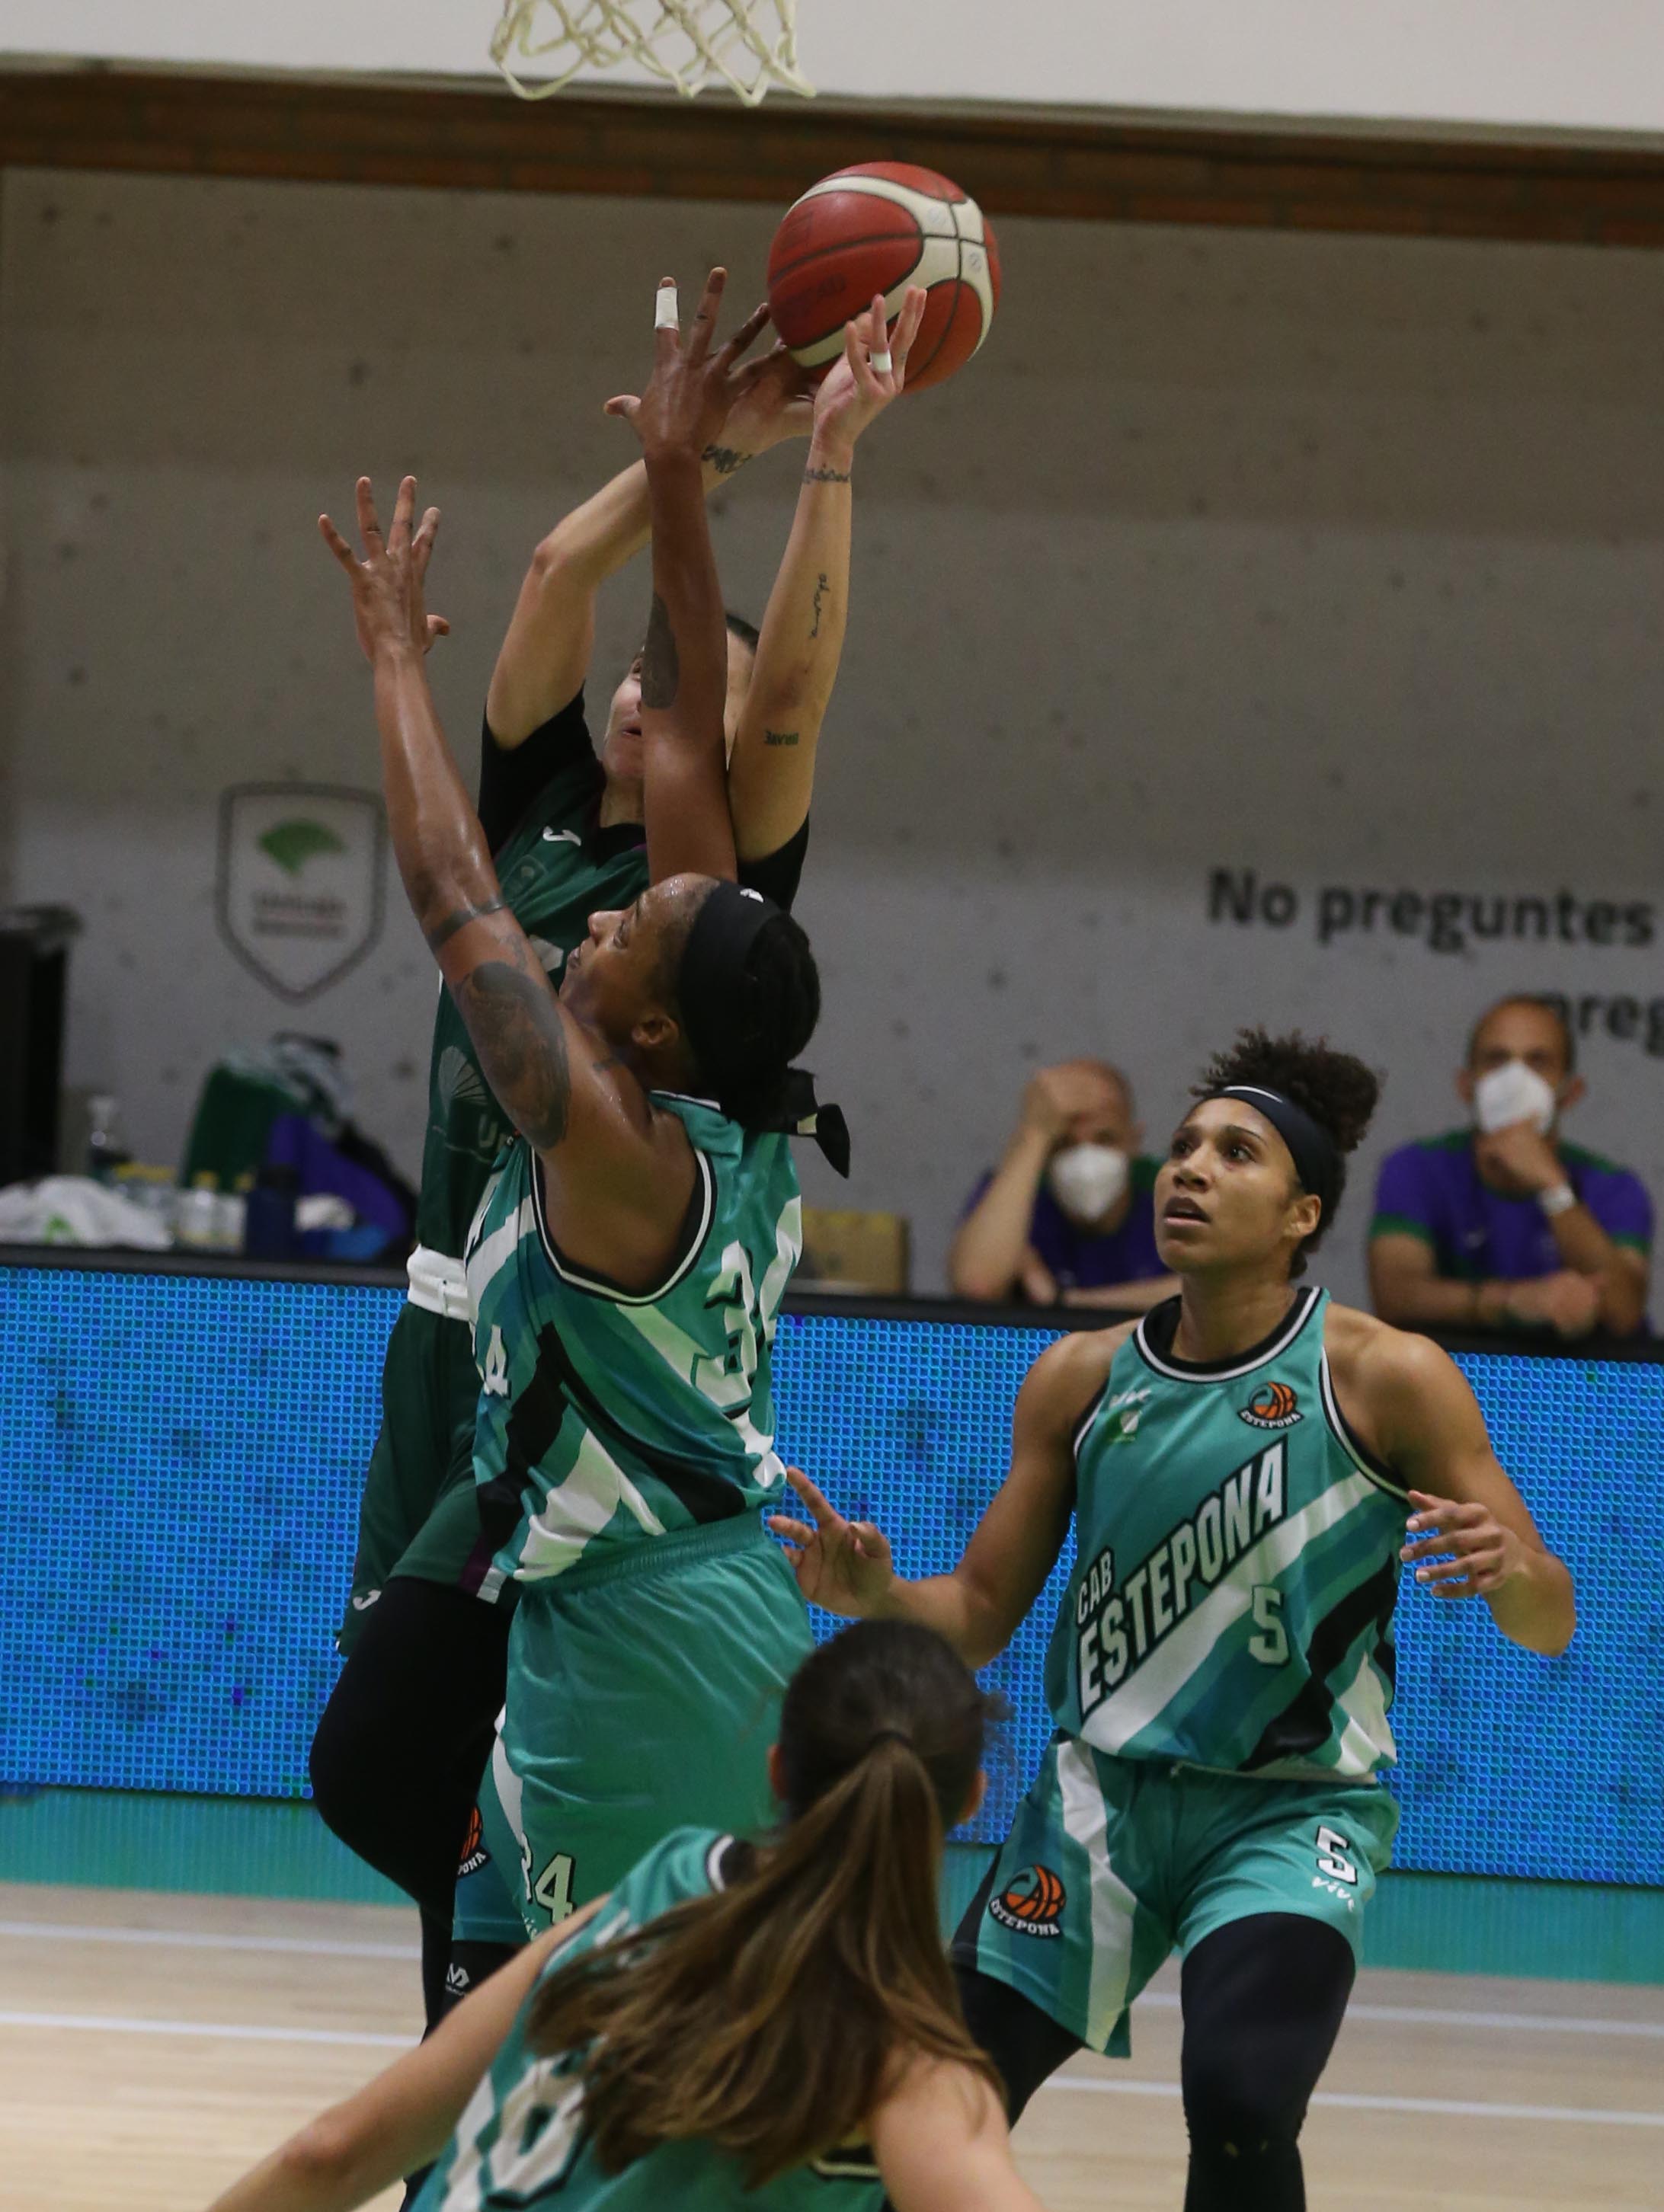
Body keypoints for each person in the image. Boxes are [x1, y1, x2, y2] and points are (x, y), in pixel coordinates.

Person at [308, 277, 927, 2032]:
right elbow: (671, 761)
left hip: (652, 1591)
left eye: (629, 935)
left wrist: (381, 668)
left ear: (648, 1025)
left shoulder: (609, 1132)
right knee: (487, 1890)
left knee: (653, 2006)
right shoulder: (690, 1065)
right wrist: (674, 476)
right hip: (581, 1517)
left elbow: (453, 896)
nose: (599, 926)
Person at [774, 1027, 1576, 2212]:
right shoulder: (1082, 1379)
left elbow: (1550, 1617)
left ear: (1303, 1214)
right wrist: (877, 1598)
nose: (1190, 1170)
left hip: (1289, 1817)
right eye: (1187, 1147)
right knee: (931, 2091)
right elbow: (983, 1613)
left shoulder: (1384, 1375)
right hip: (1099, 1802)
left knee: (1244, 2101)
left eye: (1235, 1154)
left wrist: (1510, 1565)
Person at [208, 1622, 1045, 2212]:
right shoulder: (912, 2063)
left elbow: (329, 2153)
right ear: (972, 1800)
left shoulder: (647, 1899)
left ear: (780, 1771)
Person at [1369, 994, 1651, 1340]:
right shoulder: (1416, 1169)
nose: (1515, 1079)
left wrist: (1552, 1186)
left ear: (1570, 1091)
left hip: (1584, 1387)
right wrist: (1514, 1301)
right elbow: (1395, 1296)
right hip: (1453, 1383)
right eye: (1497, 1059)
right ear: (1466, 1085)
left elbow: (1624, 1312)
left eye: (1538, 1062)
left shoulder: (1613, 1186)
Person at [949, 1058, 1177, 1312]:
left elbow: (1222, 1294)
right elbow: (977, 1286)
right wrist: (1035, 1134)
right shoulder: (1018, 1191)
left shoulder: (1171, 1187)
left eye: (1105, 1139)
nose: (1086, 1162)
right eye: (1065, 1143)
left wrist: (1065, 1302)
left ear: (1134, 1140)